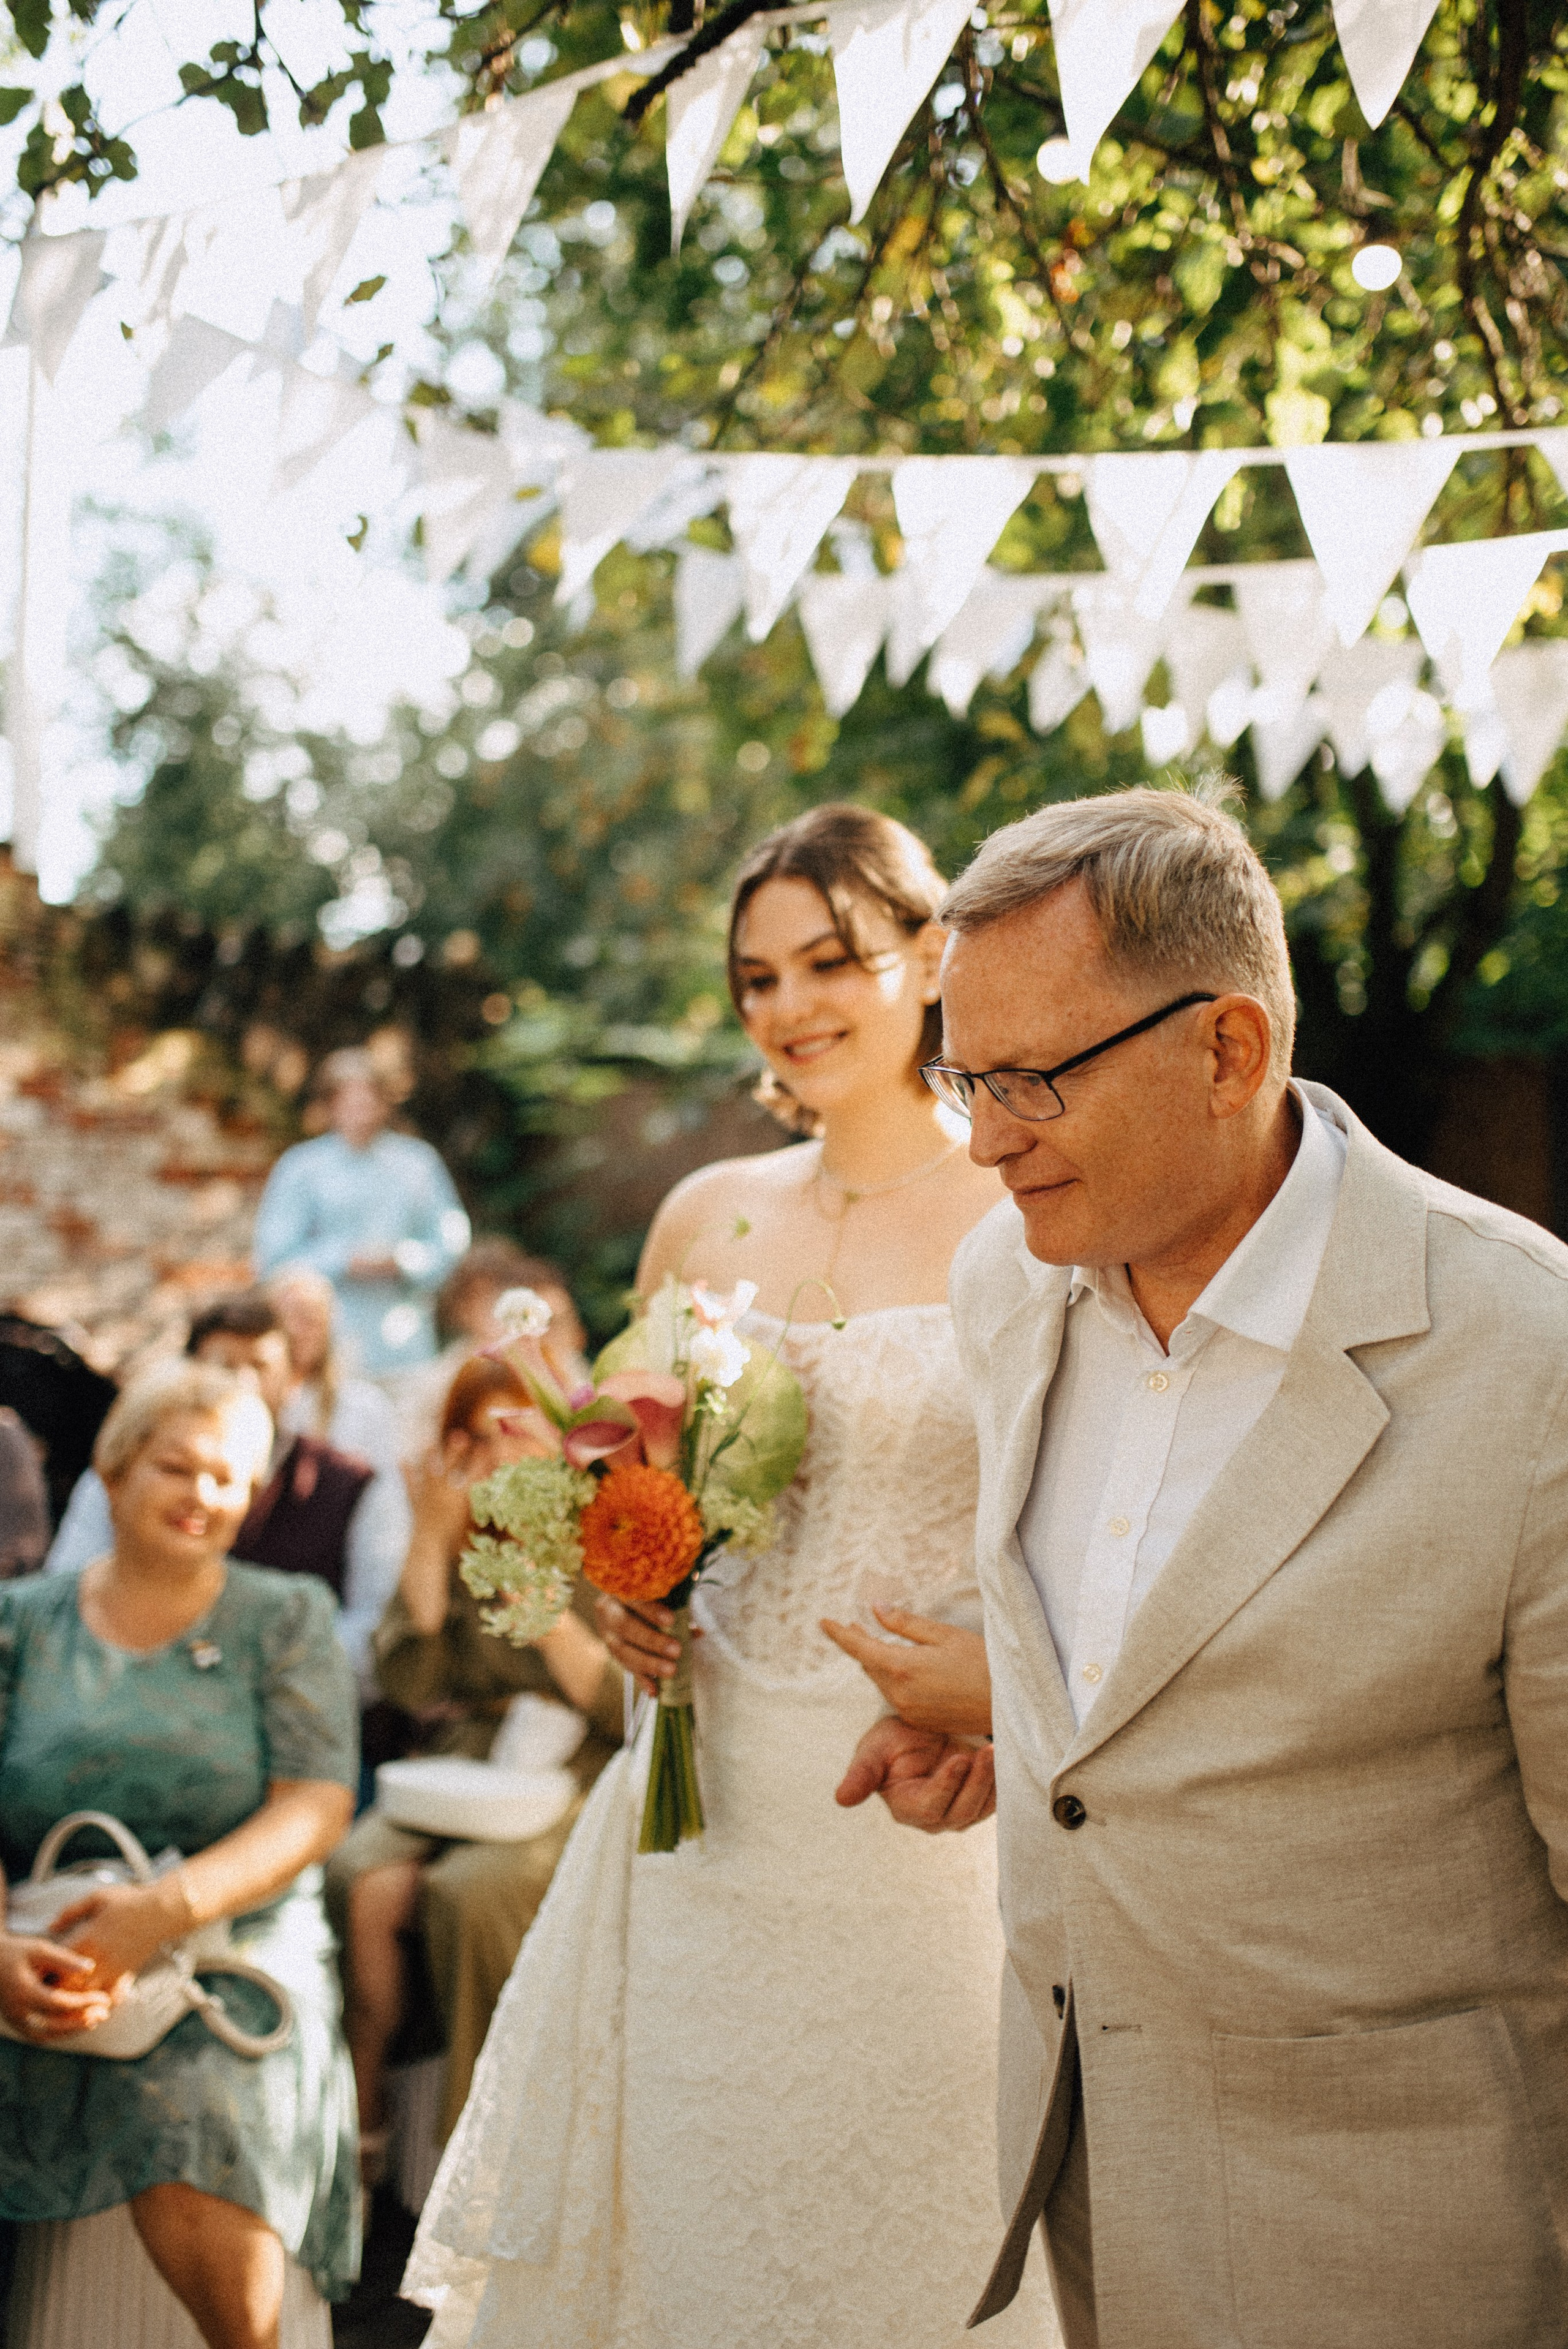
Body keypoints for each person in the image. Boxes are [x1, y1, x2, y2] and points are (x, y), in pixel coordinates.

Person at [856, 780, 1568, 2349]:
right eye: (961, 1075)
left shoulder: (1530, 1354)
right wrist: (1026, 1717)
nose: (981, 1142)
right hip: (1089, 2173)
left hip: (1403, 2235)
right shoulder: (1006, 1276)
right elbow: (1140, 1600)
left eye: (1028, 1077)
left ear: (1227, 1048)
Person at [404, 804, 1055, 2348]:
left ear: (929, 956)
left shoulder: (1022, 1209)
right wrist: (623, 1584)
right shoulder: (706, 1213)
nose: (789, 1005)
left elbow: (1079, 1506)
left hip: (914, 1797)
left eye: (830, 959)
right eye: (756, 975)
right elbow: (631, 1475)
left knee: (910, 2216)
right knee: (690, 2213)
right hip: (695, 1798)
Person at [0, 1359, 360, 2345]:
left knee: (198, 2094)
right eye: (177, 1466)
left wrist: (162, 1910)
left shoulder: (286, 1615)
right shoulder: (19, 1622)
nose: (203, 1494)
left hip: (234, 1933)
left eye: (228, 1477)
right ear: (112, 1471)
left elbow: (318, 1802)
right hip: (42, 1926)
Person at [326, 1352, 623, 2170]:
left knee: (473, 1891)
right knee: (360, 1872)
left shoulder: (611, 1527)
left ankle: (482, 2148)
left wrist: (554, 1622)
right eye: (475, 1436)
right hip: (472, 1761)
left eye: (515, 1431)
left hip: (578, 1762)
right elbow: (409, 1676)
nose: (496, 1456)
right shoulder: (469, 1533)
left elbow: (631, 1705)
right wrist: (430, 1536)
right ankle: (365, 2097)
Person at [45, 1294, 410, 1695]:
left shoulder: (351, 1485)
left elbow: (376, 1629)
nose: (243, 1382)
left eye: (260, 1366)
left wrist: (252, 1670)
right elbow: (67, 1593)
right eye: (225, 1365)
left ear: (292, 1380)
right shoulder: (124, 1475)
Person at [252, 1050, 471, 1380]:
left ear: (386, 1102)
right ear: (330, 1105)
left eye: (371, 1099)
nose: (362, 1111)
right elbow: (274, 1256)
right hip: (325, 1351)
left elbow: (451, 1242)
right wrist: (343, 1260)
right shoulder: (301, 1167)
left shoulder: (419, 1163)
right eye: (349, 1101)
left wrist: (406, 1261)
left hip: (407, 1350)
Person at [390, 1241, 590, 1461]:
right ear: (459, 1308)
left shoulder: (561, 1362)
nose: (485, 1311)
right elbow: (416, 1448)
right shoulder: (443, 1376)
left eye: (494, 1294)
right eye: (474, 1298)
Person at [263, 1264, 402, 1476]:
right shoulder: (248, 1401)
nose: (295, 1331)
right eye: (286, 1319)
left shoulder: (365, 1406)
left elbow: (384, 1492)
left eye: (309, 1319)